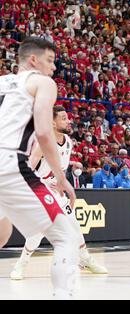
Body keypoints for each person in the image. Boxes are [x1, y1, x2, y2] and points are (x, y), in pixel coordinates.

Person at [0, 37, 78, 299]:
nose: (53, 68)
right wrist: (61, 177)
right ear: (33, 60)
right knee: (66, 236)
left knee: (2, 233)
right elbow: (45, 133)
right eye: (50, 61)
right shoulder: (42, 82)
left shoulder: (1, 82)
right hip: (9, 163)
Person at [9, 106, 108, 280]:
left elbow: (60, 167)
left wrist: (63, 183)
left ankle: (85, 260)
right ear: (53, 123)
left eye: (67, 118)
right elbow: (29, 167)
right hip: (42, 189)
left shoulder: (68, 141)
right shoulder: (43, 142)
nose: (68, 121)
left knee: (74, 226)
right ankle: (21, 264)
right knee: (37, 233)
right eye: (63, 118)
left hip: (58, 190)